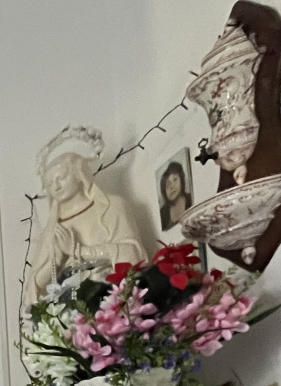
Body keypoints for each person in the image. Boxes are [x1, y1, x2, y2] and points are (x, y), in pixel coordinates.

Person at [26, 127, 146, 302]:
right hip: (69, 310)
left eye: (61, 177)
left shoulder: (113, 207)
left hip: (112, 301)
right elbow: (34, 289)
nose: (56, 186)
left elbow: (133, 255)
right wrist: (56, 260)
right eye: (50, 184)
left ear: (79, 172)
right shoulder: (52, 231)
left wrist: (79, 251)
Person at [158, 160, 192, 231]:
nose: (172, 187)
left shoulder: (191, 199)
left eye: (175, 179)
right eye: (167, 185)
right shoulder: (162, 213)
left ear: (181, 180)